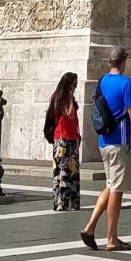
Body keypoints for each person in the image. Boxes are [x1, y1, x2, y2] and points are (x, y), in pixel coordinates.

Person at [81, 46, 131, 253]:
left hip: (103, 141)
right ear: (123, 61)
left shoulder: (102, 81)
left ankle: (90, 227)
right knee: (117, 190)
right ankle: (111, 238)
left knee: (110, 185)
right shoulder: (126, 83)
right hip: (119, 141)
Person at [43, 72, 80, 212]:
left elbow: (75, 118)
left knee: (73, 173)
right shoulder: (59, 100)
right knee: (62, 172)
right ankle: (61, 202)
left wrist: (78, 136)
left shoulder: (71, 99)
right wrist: (70, 96)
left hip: (73, 137)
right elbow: (69, 114)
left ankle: (72, 202)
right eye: (73, 85)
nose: (75, 87)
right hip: (62, 139)